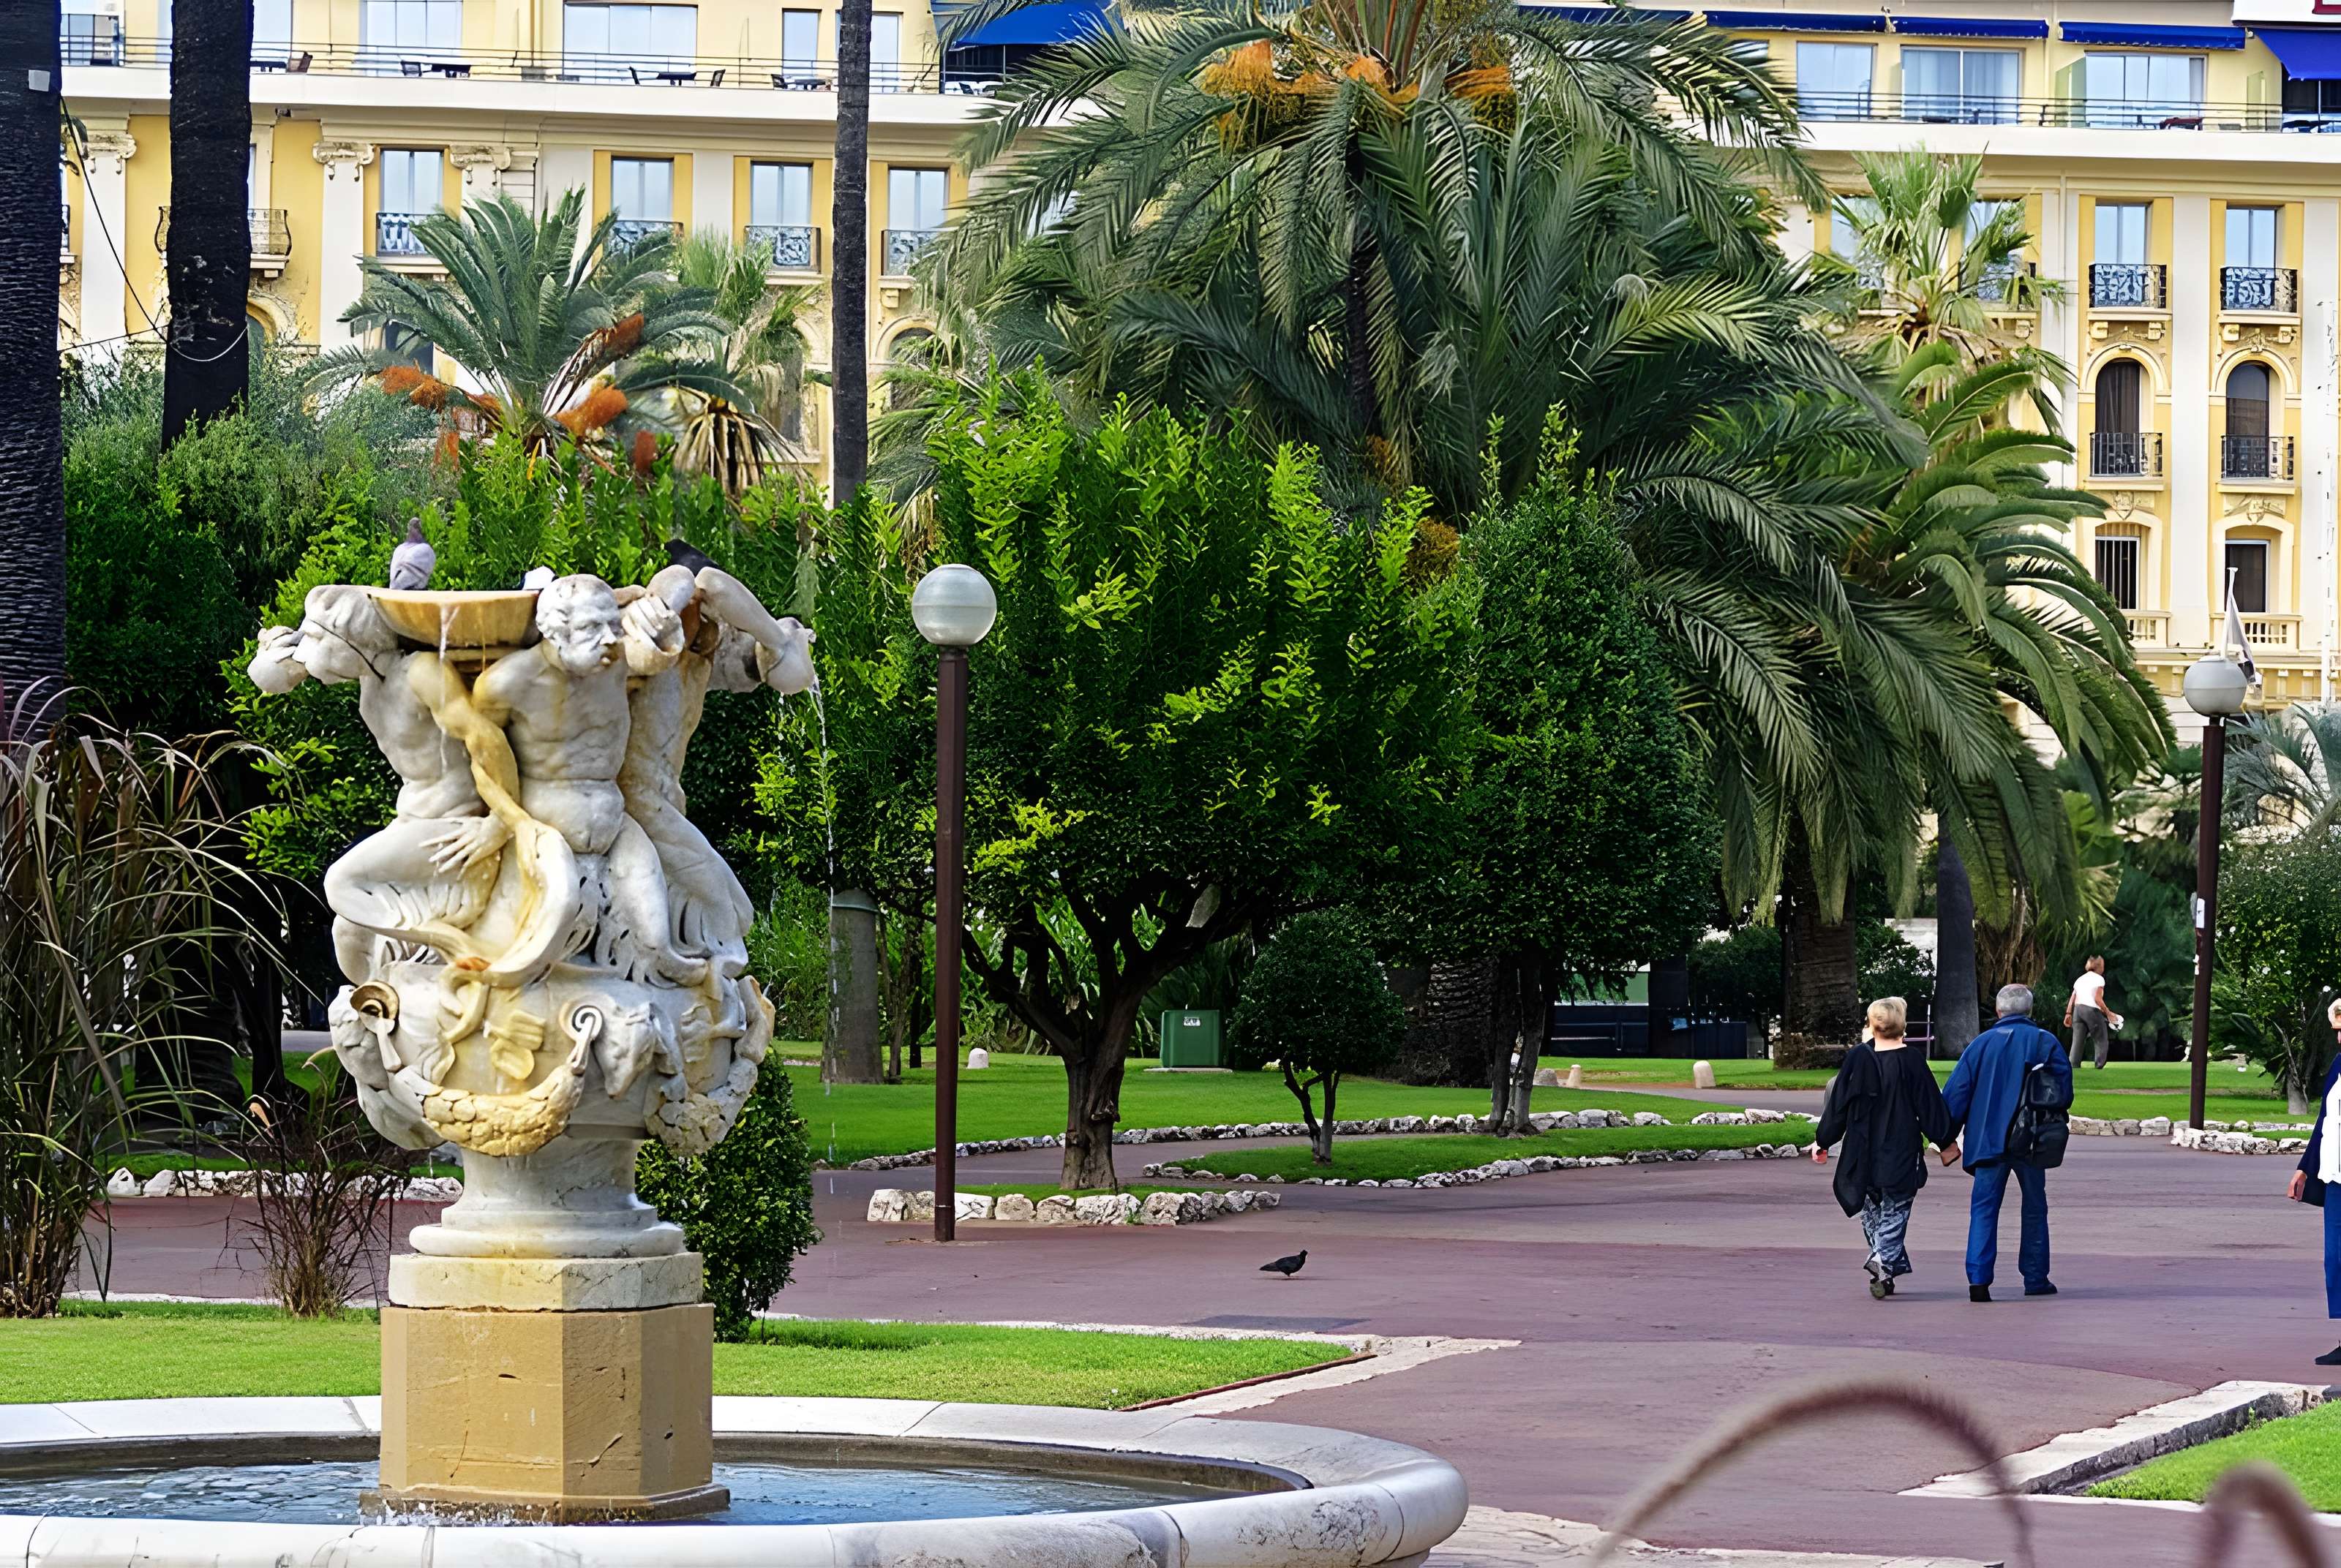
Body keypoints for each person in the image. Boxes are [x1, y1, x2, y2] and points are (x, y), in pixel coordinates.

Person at [1813, 996, 1953, 1298]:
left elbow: (1838, 1106)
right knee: (1897, 1207)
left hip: (1860, 1150)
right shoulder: (1911, 1060)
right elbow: (1929, 1106)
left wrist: (1823, 1140)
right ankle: (1882, 1259)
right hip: (1899, 1147)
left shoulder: (1856, 1058)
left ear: (1871, 1024)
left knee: (1873, 1211)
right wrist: (1945, 1141)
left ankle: (1885, 1272)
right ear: (1902, 1024)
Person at [1943, 983, 2073, 1303]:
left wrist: (1945, 1138)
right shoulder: (2045, 1041)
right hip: (2031, 1139)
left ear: (1999, 1011)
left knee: (1984, 1208)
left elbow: (1955, 1096)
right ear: (2029, 1010)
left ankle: (1978, 1280)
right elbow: (2064, 1094)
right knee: (2034, 1206)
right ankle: (2035, 1277)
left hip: (1987, 1140)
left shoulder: (1980, 1044)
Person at [2285, 998, 2341, 1365]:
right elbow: (2324, 1121)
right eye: (2337, 1029)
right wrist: (2303, 1168)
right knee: (2336, 1259)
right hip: (2336, 1178)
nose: (2339, 1037)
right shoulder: (2339, 1065)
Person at [2064, 956, 2123, 1071]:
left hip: (2077, 1010)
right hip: (2091, 1011)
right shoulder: (2099, 979)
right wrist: (2108, 1013)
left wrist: (2068, 1013)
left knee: (2078, 1040)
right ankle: (2099, 1065)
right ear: (2099, 967)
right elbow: (2097, 999)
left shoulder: (2080, 979)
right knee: (2101, 1038)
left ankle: (2074, 1065)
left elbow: (2073, 997)